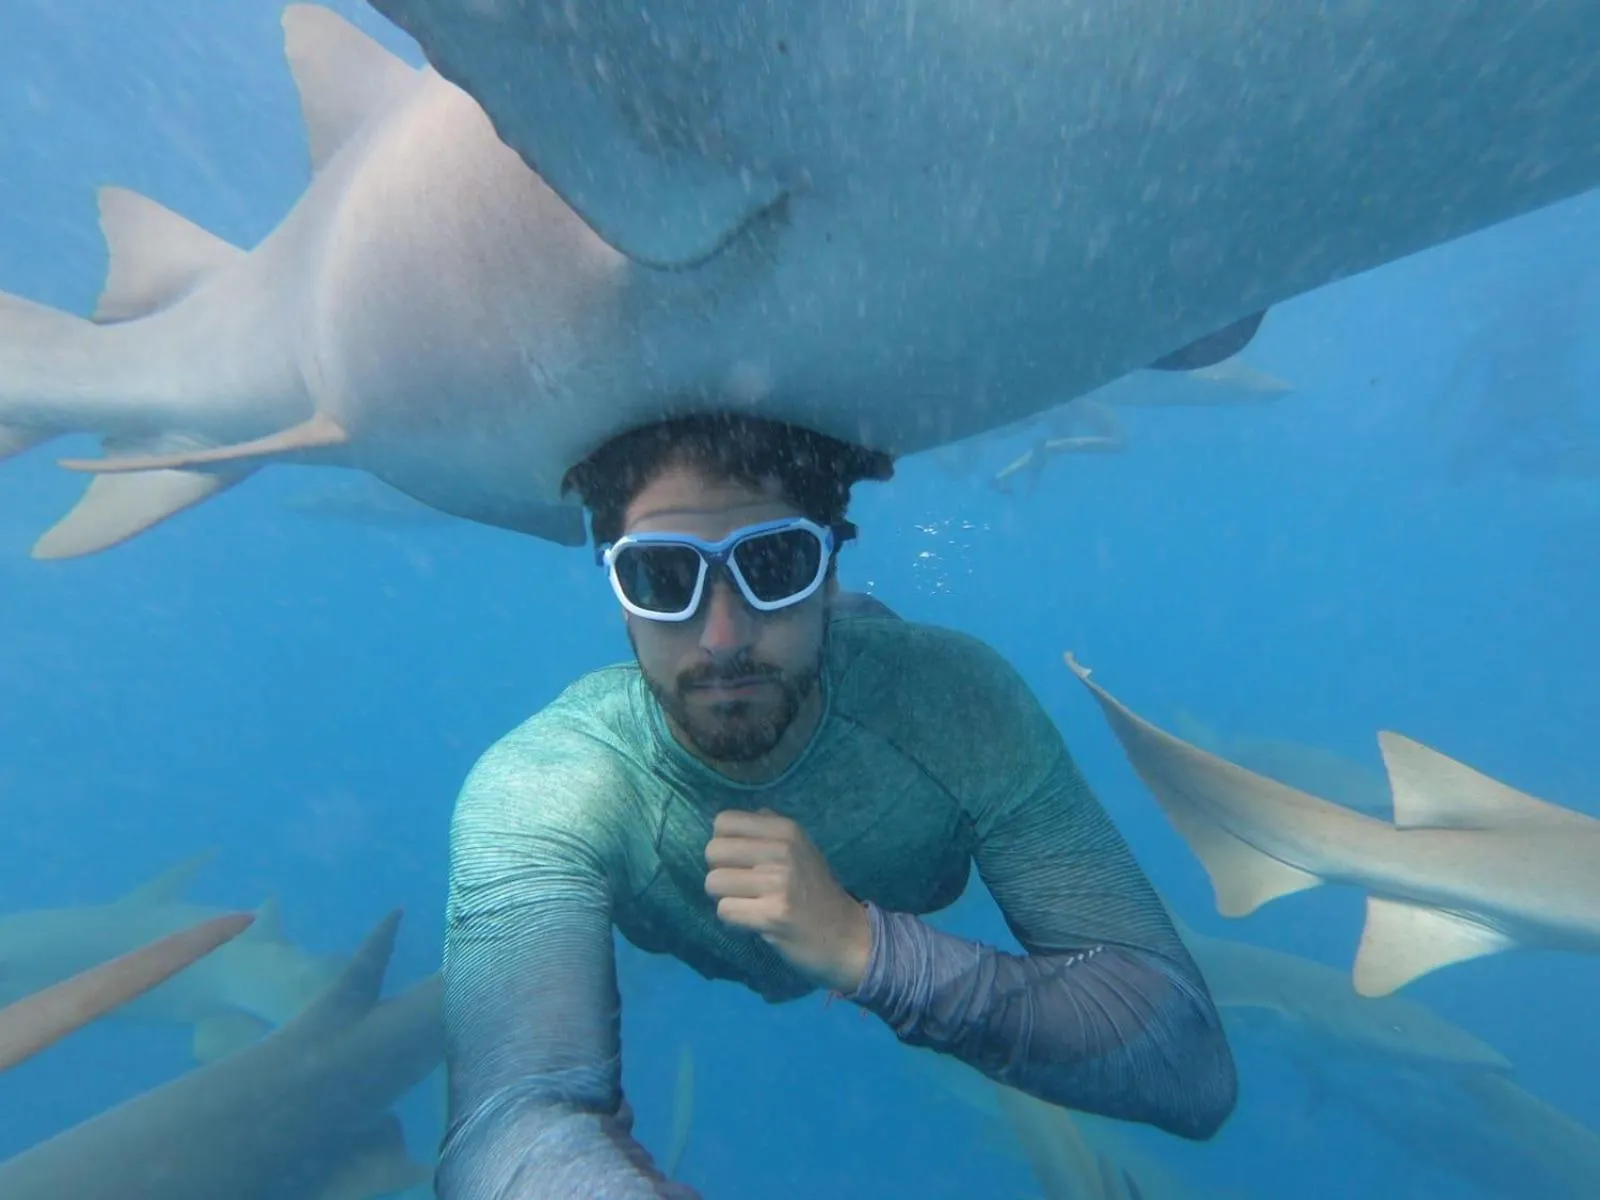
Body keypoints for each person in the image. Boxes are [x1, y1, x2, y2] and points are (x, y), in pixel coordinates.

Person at [435, 414, 1238, 1199]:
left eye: (775, 563)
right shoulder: (546, 785)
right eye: (665, 578)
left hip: (873, 680)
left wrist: (868, 949)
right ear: (618, 591)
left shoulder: (956, 707)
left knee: (876, 659)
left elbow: (1190, 1065)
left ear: (829, 568)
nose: (722, 634)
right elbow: (504, 1124)